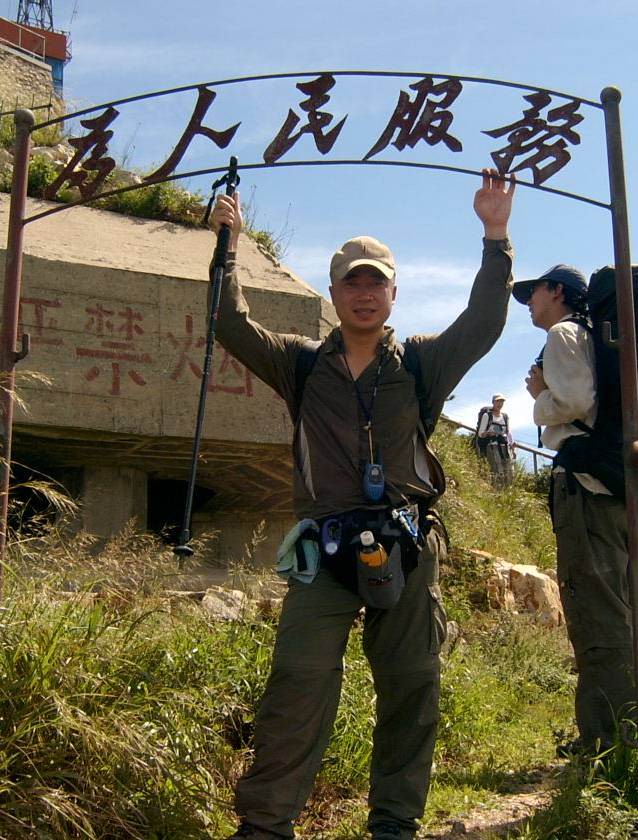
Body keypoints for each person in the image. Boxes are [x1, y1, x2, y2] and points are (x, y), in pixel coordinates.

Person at [211, 169, 515, 840]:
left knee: (410, 683)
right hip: (322, 548)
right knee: (298, 680)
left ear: (393, 293)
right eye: (352, 282)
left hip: (406, 543)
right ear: (334, 293)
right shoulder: (299, 363)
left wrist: (496, 236)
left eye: (376, 282)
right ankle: (265, 825)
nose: (364, 293)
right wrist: (227, 245)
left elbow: (485, 322)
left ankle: (394, 825)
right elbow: (229, 324)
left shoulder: (421, 364)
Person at [513, 265, 634, 753]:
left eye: (534, 292)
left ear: (558, 291)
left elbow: (574, 402)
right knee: (623, 607)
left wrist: (540, 395)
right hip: (619, 483)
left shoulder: (565, 333)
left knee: (597, 612)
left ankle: (609, 741)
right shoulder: (601, 336)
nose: (529, 302)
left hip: (586, 488)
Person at [477, 393, 515, 486]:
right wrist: (489, 433)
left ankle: (507, 489)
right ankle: (497, 489)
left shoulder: (505, 416)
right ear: (493, 402)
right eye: (498, 401)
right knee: (497, 469)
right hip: (492, 446)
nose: (500, 404)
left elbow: (508, 432)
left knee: (509, 469)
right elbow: (480, 433)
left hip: (504, 446)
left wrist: (512, 443)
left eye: (501, 401)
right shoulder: (487, 415)